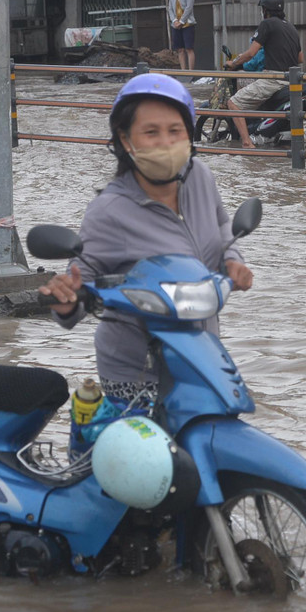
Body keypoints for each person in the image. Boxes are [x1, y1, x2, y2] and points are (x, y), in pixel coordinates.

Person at [39, 74, 253, 403]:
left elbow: (223, 224)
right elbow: (78, 287)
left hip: (201, 356)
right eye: (151, 132)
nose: (165, 143)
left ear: (189, 134)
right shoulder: (109, 210)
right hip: (137, 373)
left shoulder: (201, 177)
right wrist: (66, 299)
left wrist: (232, 260)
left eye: (175, 131)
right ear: (126, 141)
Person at [224, 0, 302, 149]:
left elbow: (251, 53)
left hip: (272, 80)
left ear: (265, 10)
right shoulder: (291, 27)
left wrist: (233, 63)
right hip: (292, 80)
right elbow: (301, 58)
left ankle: (246, 143)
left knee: (233, 103)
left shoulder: (267, 24)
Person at [167, 0, 196, 72]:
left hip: (187, 23)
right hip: (176, 25)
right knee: (180, 49)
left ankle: (191, 71)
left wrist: (182, 21)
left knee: (189, 48)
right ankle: (183, 71)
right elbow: (170, 9)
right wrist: (175, 21)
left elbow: (189, 8)